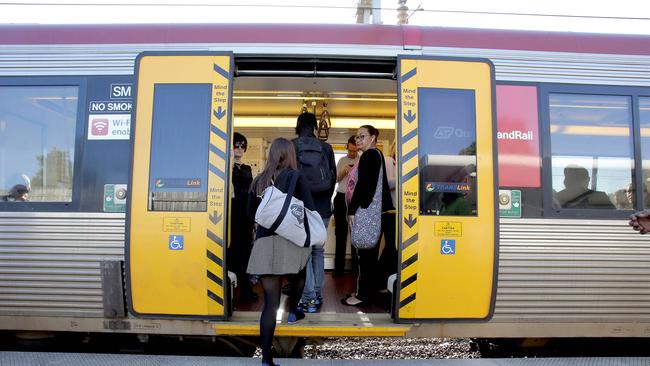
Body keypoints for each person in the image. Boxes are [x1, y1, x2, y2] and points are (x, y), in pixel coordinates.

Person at [246, 138, 315, 366]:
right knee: (301, 274)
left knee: (270, 305)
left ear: (271, 155)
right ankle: (294, 310)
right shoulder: (296, 177)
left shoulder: (258, 181)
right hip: (291, 243)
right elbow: (310, 209)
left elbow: (249, 215)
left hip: (265, 244)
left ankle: (267, 359)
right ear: (291, 154)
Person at [342, 125, 394, 306]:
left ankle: (362, 295)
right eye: (357, 137)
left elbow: (364, 185)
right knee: (371, 255)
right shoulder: (377, 155)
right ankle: (368, 290)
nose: (358, 140)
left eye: (362, 136)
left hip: (369, 211)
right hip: (381, 212)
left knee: (365, 256)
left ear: (373, 138)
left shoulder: (369, 156)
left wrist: (352, 209)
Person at [292, 112, 336, 313]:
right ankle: (317, 295)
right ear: (315, 127)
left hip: (301, 207)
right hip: (323, 208)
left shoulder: (292, 145)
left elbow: (289, 178)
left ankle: (308, 297)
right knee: (318, 250)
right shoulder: (326, 148)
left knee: (305, 251)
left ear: (298, 126)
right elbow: (333, 178)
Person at [227, 132, 257, 302]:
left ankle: (246, 290)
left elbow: (251, 192)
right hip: (231, 215)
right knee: (231, 252)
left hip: (246, 214)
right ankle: (230, 290)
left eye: (242, 146)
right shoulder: (226, 168)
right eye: (236, 145)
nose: (239, 149)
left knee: (246, 252)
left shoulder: (247, 168)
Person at [333, 135, 359, 277]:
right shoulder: (342, 160)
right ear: (347, 148)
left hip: (354, 199)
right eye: (350, 151)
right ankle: (338, 270)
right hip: (341, 197)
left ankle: (356, 270)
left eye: (354, 151)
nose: (352, 154)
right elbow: (336, 179)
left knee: (355, 235)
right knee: (340, 234)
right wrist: (343, 171)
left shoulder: (361, 161)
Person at [377, 141, 397, 291]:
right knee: (390, 247)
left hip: (397, 211)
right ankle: (381, 280)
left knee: (392, 247)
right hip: (389, 211)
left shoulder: (396, 163)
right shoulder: (389, 161)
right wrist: (405, 180)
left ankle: (385, 280)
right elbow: (387, 184)